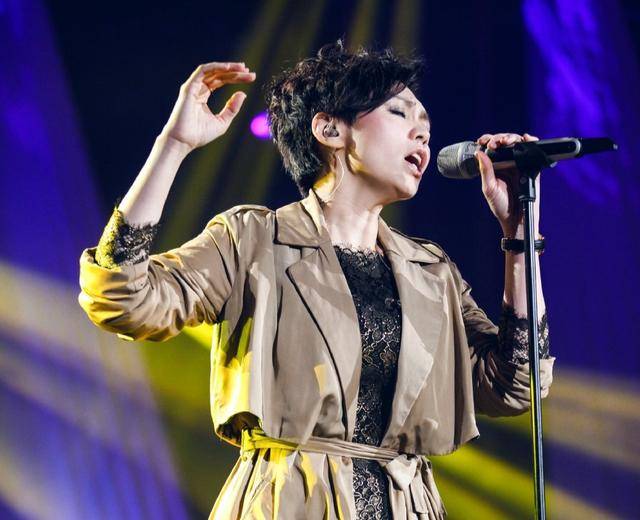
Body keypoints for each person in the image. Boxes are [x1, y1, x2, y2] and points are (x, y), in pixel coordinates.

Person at [78, 40, 553, 519]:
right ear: (330, 129)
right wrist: (173, 146)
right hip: (290, 502)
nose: (422, 135)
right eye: (399, 113)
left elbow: (517, 383)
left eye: (426, 126)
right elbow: (124, 299)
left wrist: (519, 234)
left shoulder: (430, 270)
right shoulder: (253, 239)